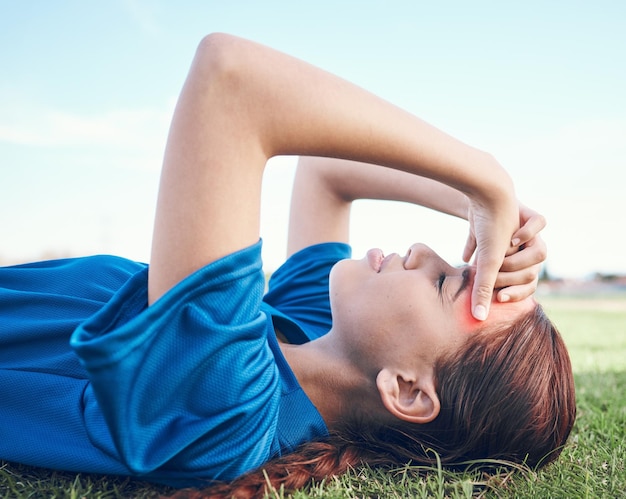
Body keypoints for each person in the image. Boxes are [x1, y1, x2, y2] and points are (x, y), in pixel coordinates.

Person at [0, 33, 575, 498]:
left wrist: (480, 176)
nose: (424, 252)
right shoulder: (303, 329)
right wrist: (471, 206)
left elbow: (230, 79)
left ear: (406, 389)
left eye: (445, 284)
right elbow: (326, 168)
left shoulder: (233, 409)